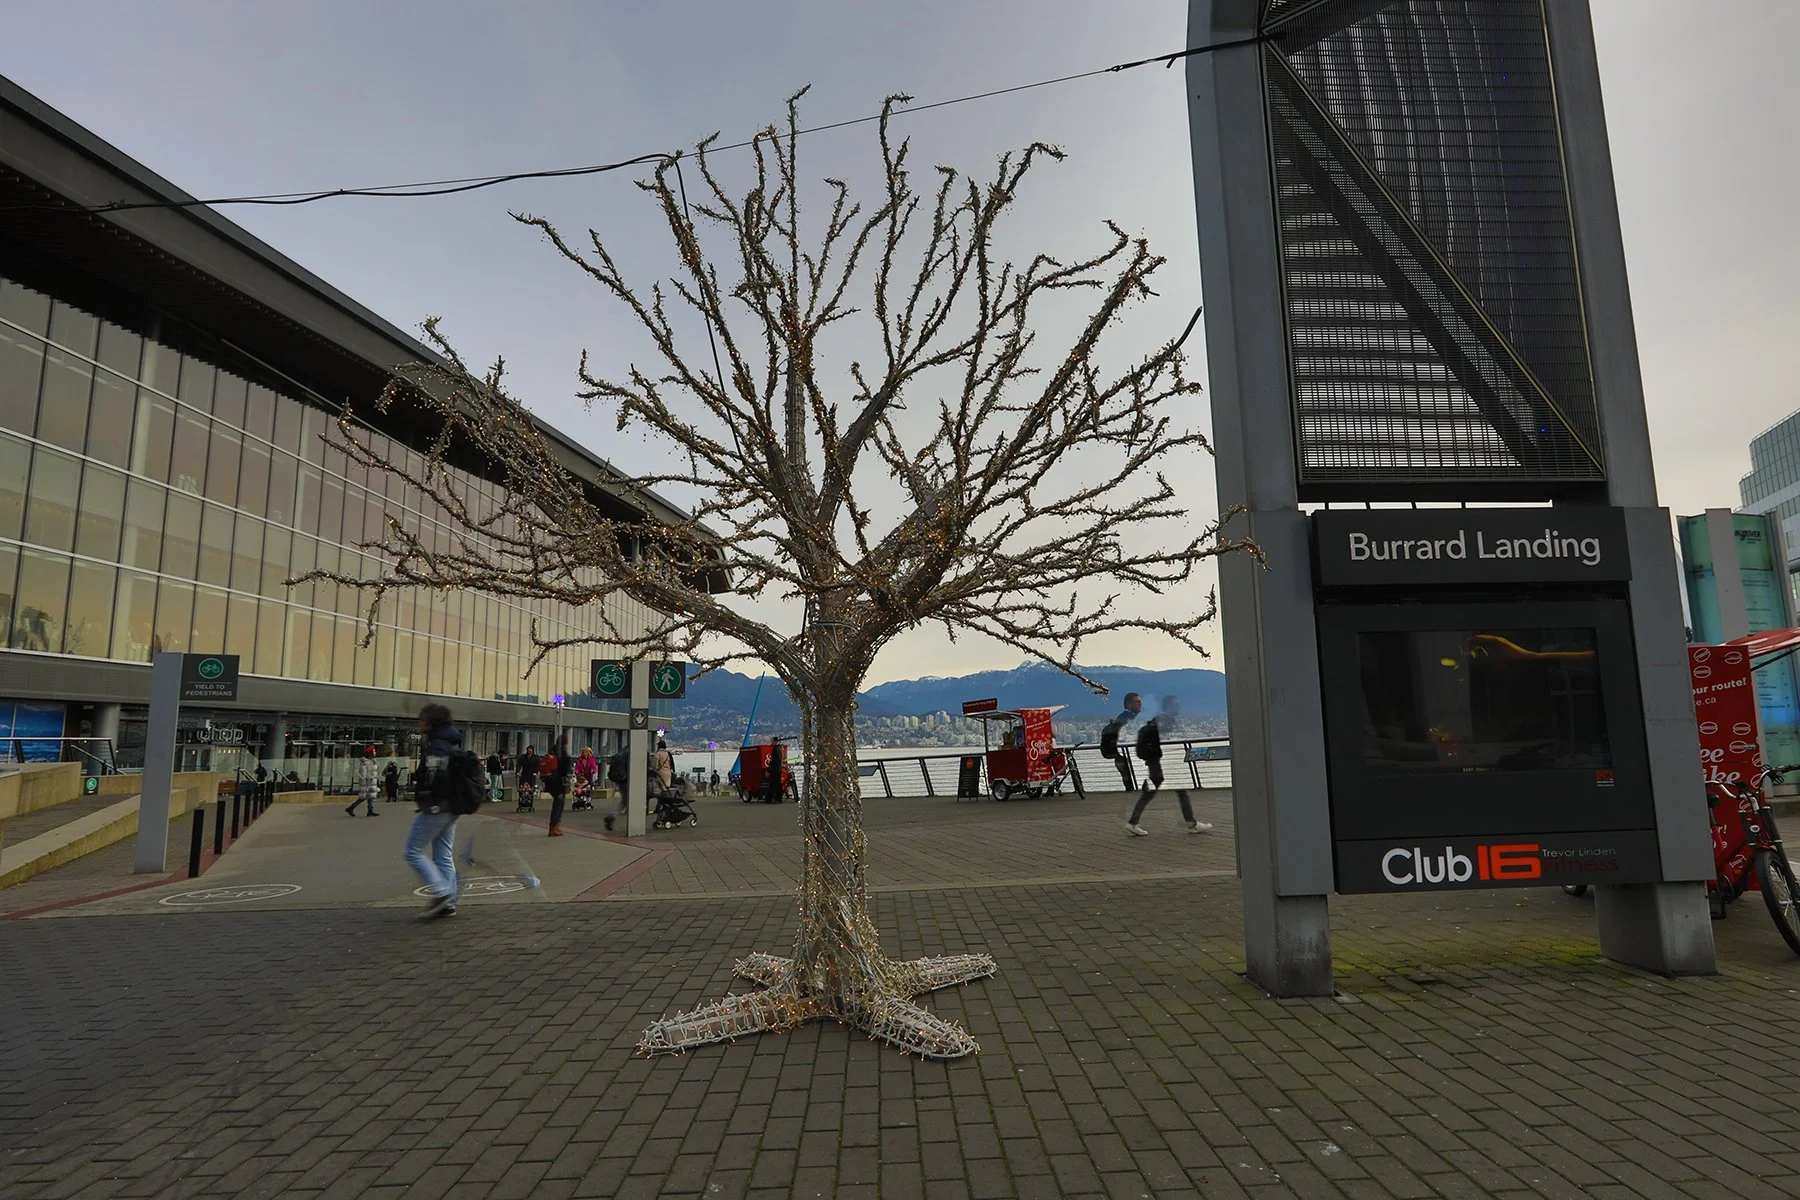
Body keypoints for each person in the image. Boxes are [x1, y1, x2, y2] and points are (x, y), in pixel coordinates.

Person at [1125, 695, 1213, 837]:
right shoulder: (1165, 720)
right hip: (1161, 762)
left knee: (1157, 792)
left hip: (1158, 762)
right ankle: (1191, 823)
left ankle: (1134, 822)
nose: (1178, 706)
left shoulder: (1161, 719)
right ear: (1169, 705)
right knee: (1171, 792)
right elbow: (1166, 740)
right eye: (1175, 704)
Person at [406, 704, 464, 917]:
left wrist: (426, 796)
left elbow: (435, 776)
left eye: (422, 720)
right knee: (443, 855)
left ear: (432, 722)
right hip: (452, 807)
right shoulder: (450, 742)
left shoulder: (437, 745)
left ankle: (441, 893)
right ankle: (449, 902)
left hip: (438, 806)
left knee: (412, 851)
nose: (420, 723)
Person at [1099, 692, 1143, 792]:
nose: (1140, 704)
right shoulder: (1127, 718)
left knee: (1129, 782)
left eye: (1140, 701)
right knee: (1132, 781)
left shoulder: (1123, 717)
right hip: (1126, 754)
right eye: (1137, 701)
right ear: (1128, 704)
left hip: (1122, 755)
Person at [544, 736, 572, 836]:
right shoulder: (563, 753)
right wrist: (568, 785)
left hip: (550, 781)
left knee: (558, 803)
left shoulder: (552, 750)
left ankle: (555, 827)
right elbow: (566, 771)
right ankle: (554, 827)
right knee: (558, 804)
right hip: (559, 783)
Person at [346, 745, 380, 817]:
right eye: (373, 751)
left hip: (370, 782)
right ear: (370, 753)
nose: (375, 752)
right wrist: (369, 780)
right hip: (368, 783)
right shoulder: (368, 762)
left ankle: (370, 810)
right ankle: (351, 808)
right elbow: (366, 773)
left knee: (370, 797)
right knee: (363, 797)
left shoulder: (371, 761)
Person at [604, 745, 630, 832]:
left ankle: (612, 815)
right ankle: (612, 816)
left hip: (620, 780)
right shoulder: (630, 754)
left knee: (624, 800)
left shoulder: (620, 753)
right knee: (627, 801)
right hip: (628, 780)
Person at [516, 744, 540, 812]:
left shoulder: (536, 757)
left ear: (532, 751)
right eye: (528, 750)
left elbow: (538, 765)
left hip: (532, 775)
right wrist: (518, 772)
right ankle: (521, 801)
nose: (529, 752)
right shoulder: (523, 757)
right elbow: (519, 765)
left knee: (531, 789)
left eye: (530, 751)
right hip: (524, 775)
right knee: (522, 788)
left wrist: (536, 772)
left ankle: (530, 803)